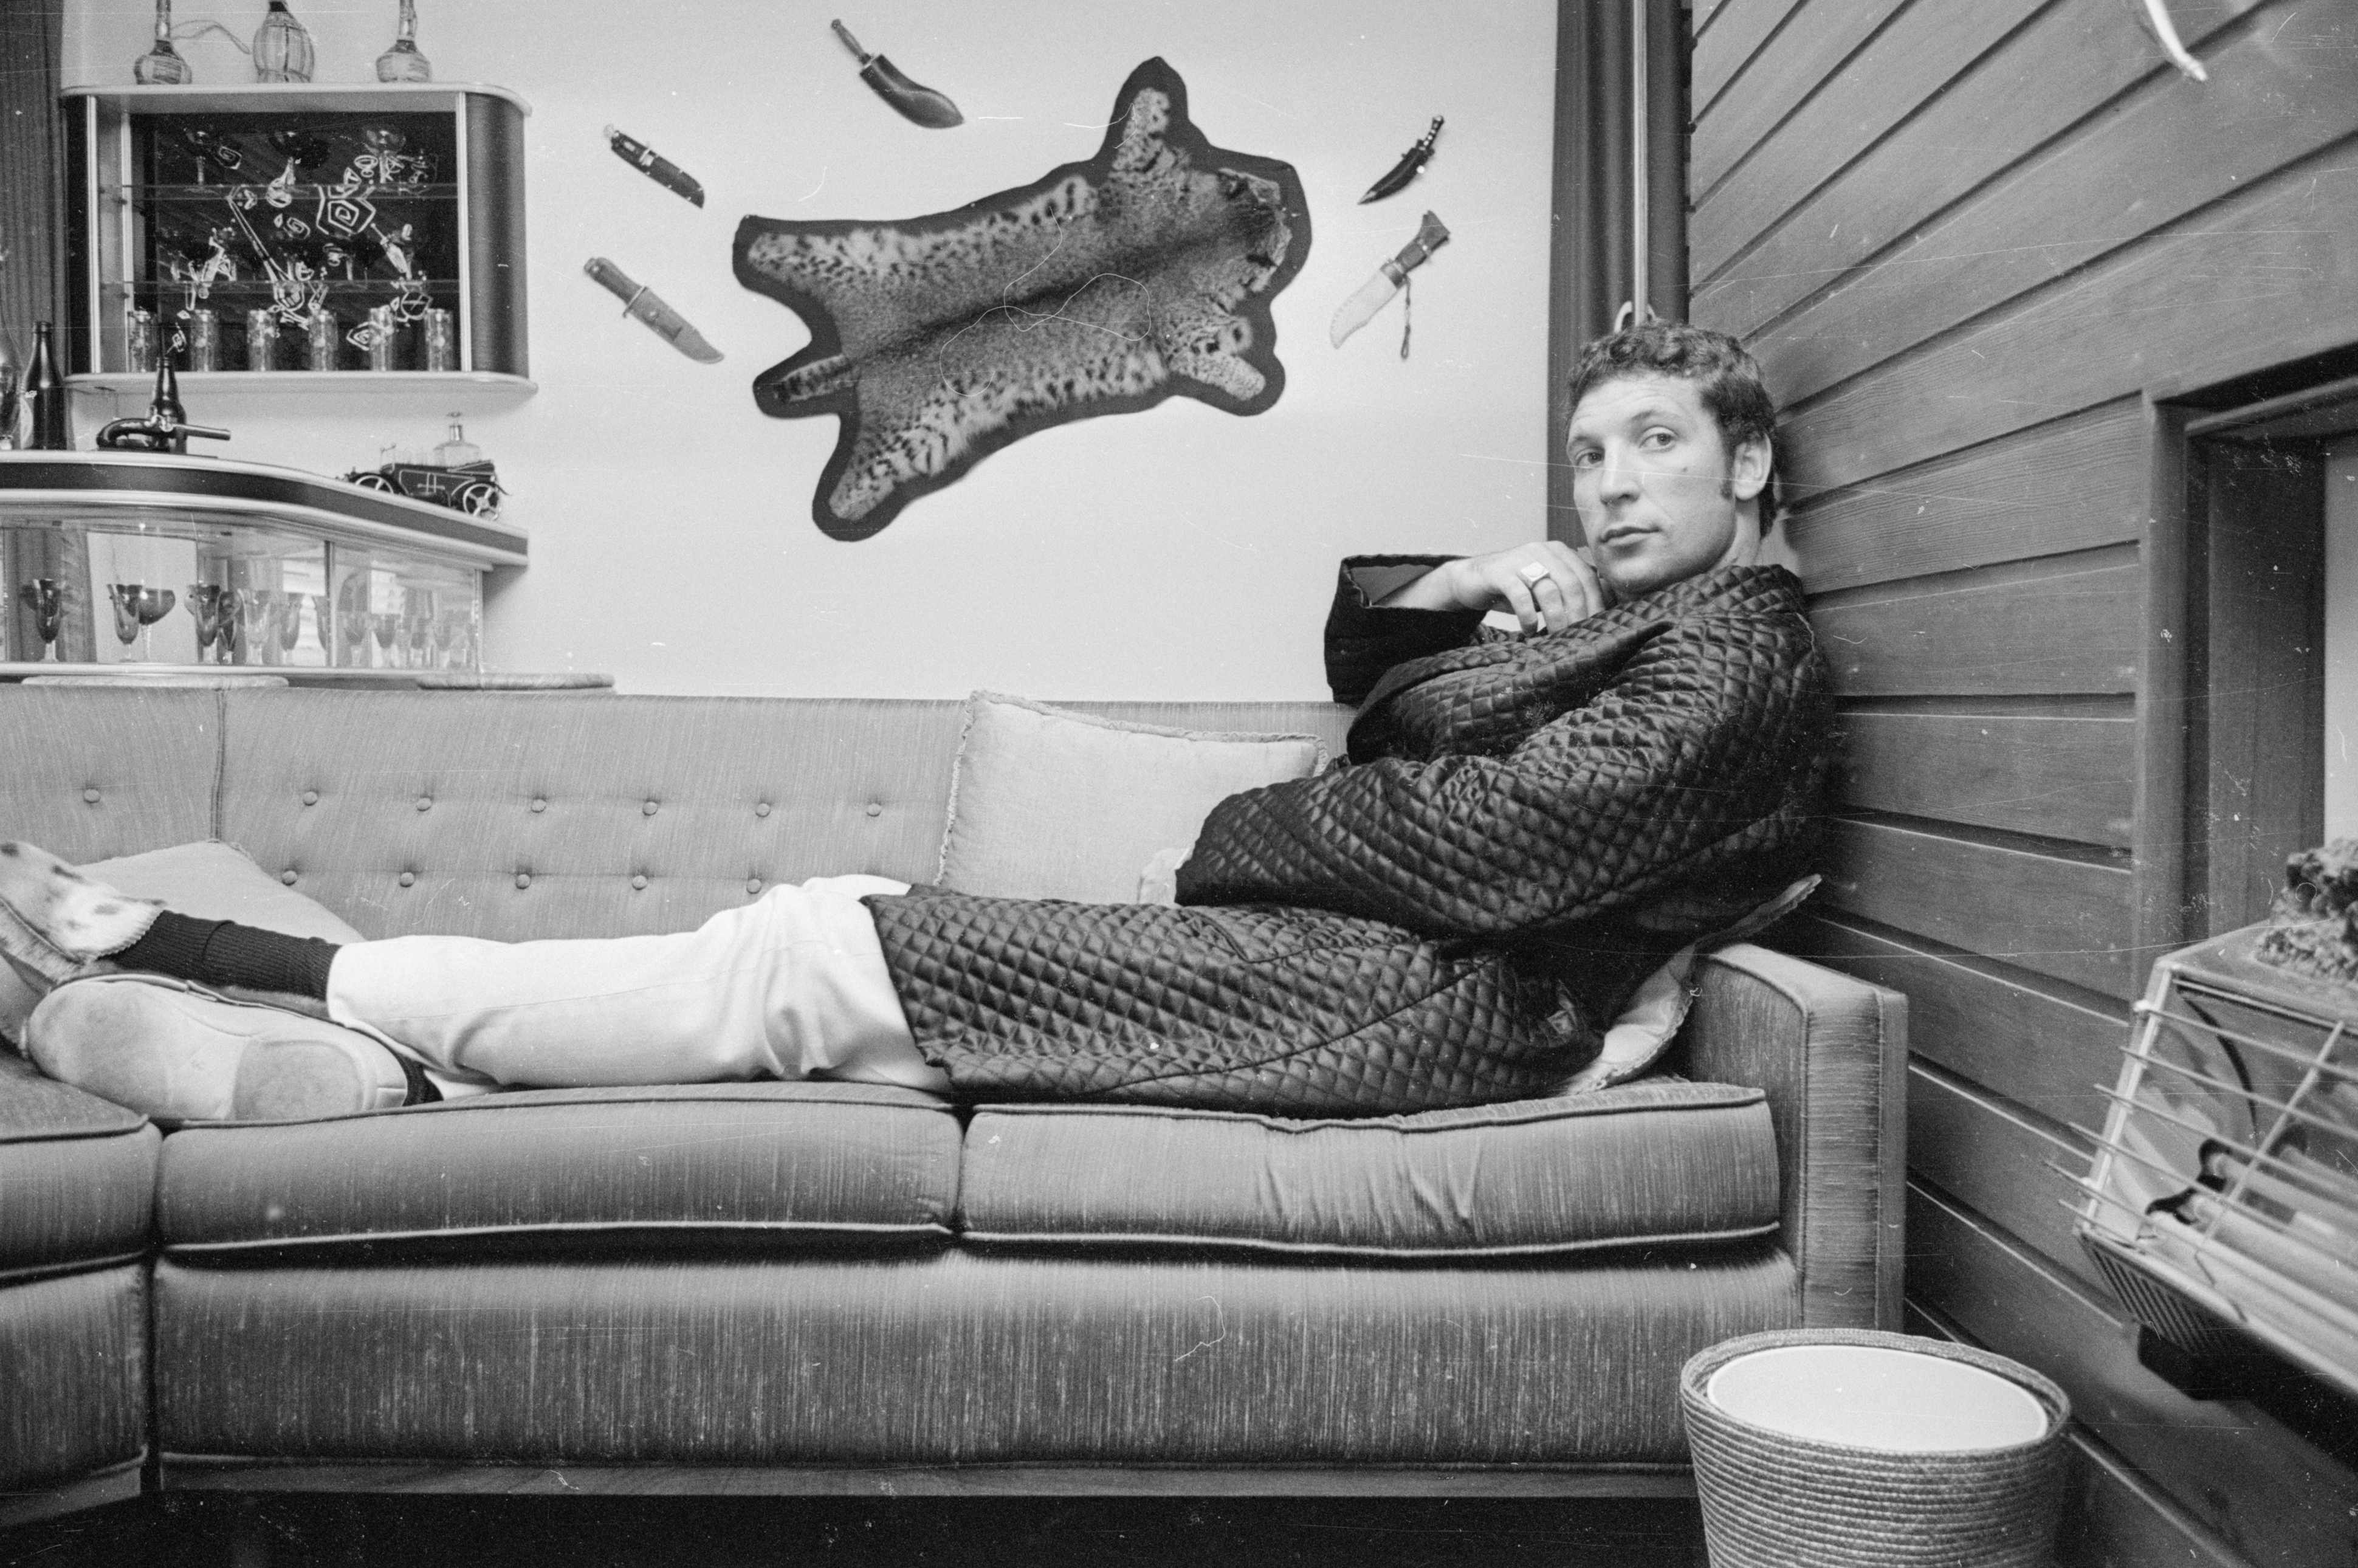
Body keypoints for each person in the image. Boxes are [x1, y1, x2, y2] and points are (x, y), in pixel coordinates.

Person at [1, 322, 1833, 1122]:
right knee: (794, 966)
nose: (1608, 483)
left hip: (1404, 1002)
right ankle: (343, 1027)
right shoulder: (1635, 626)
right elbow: (1378, 685)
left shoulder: (1738, 658)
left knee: (802, 959)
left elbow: (1488, 843)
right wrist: (1448, 592)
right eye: (1592, 447)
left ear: (1749, 460)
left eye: (1657, 442)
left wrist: (1213, 841)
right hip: (1341, 955)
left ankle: (210, 952)